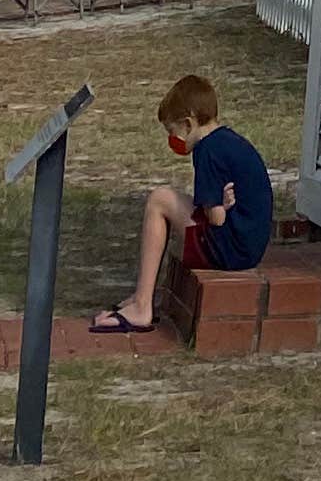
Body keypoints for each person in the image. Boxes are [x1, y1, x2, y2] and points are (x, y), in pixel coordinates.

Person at [91, 72, 275, 333]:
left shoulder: (206, 151)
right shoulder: (228, 141)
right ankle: (141, 297)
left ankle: (142, 305)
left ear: (188, 124)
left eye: (172, 131)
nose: (172, 139)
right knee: (172, 202)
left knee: (159, 200)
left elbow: (216, 219)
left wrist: (221, 206)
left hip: (231, 250)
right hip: (248, 245)